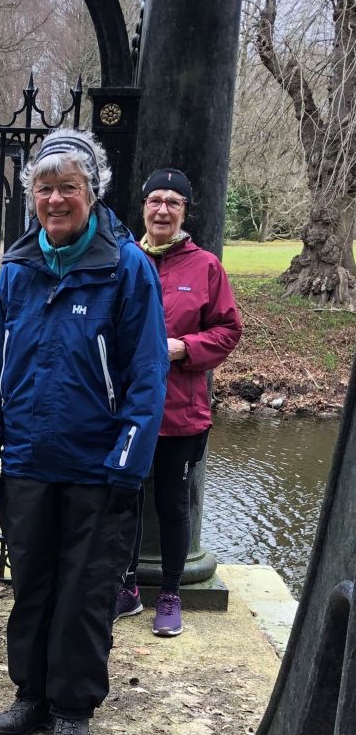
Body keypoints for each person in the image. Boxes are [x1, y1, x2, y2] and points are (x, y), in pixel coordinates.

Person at [0, 129, 168, 735]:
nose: (56, 200)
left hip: (96, 465)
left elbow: (147, 373)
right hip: (28, 460)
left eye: (68, 188)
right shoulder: (16, 271)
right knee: (33, 586)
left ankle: (73, 707)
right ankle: (32, 692)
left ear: (92, 192)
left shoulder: (126, 267)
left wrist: (128, 462)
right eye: (45, 189)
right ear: (33, 197)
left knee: (85, 594)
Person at [115, 168, 242, 637]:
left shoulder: (205, 266)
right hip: (126, 409)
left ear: (185, 210)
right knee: (123, 499)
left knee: (172, 504)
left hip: (180, 412)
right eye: (155, 201)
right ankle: (124, 587)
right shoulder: (123, 259)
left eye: (173, 202)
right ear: (143, 207)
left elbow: (228, 330)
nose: (162, 210)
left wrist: (184, 348)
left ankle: (170, 593)